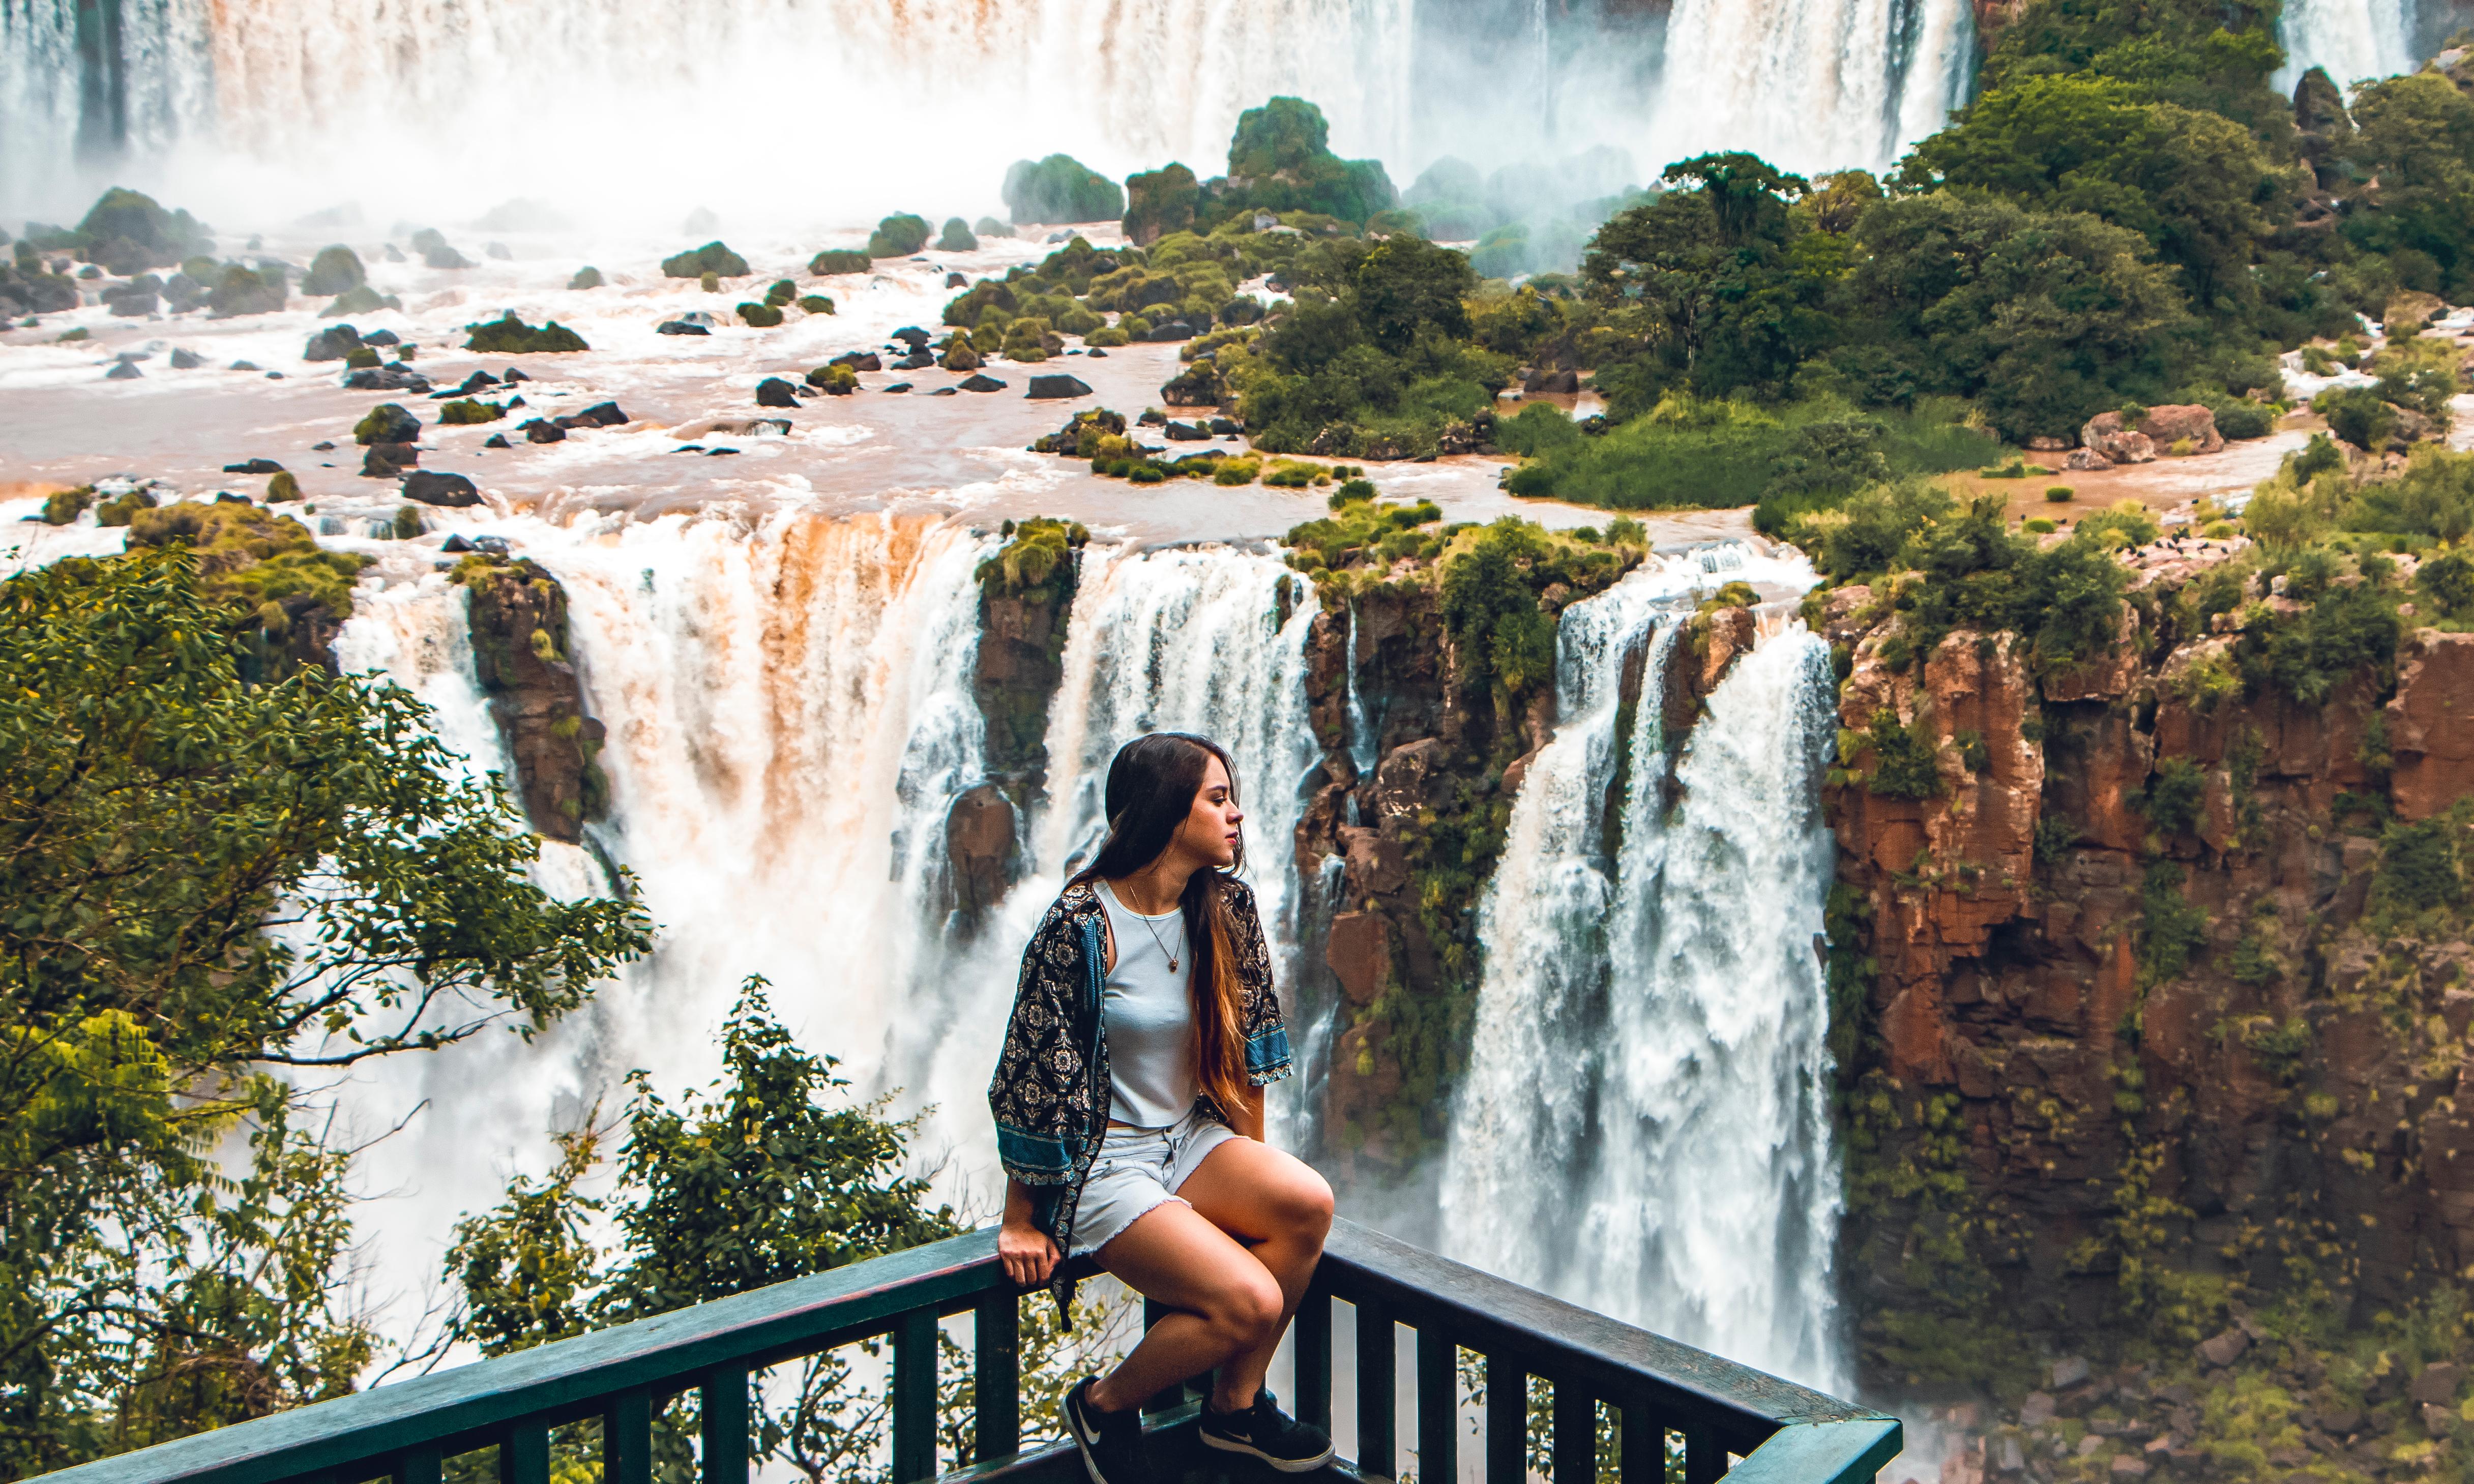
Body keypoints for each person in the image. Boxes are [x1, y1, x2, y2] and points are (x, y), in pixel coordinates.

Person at [988, 732, 1337, 1482]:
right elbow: (1032, 1073)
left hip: (1189, 1138)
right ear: (1167, 814)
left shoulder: (1226, 907)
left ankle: (1233, 1410)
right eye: (1218, 798)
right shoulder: (1080, 925)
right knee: (1247, 1298)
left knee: (1306, 1202)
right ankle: (1105, 1405)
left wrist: (1253, 1173)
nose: (1237, 813)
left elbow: (1247, 1061)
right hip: (1106, 1163)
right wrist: (1020, 1218)